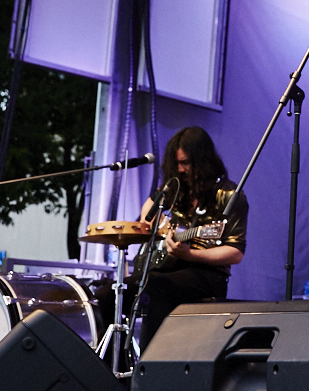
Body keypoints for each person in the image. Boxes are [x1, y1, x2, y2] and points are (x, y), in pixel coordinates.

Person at [97, 126, 247, 351]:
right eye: (176, 164)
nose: (180, 169)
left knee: (155, 289)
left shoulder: (228, 194)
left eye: (185, 163)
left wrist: (190, 254)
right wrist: (164, 228)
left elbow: (235, 253)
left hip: (205, 276)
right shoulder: (176, 188)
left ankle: (149, 367)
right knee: (108, 295)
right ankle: (108, 370)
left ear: (202, 161)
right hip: (164, 270)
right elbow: (149, 207)